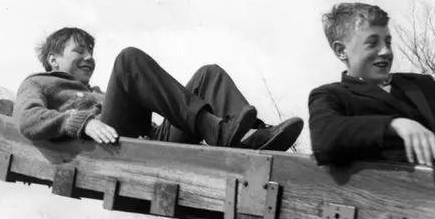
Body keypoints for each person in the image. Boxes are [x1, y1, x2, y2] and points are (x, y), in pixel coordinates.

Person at [15, 27, 303, 150]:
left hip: (151, 136)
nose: (90, 58)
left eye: (91, 52)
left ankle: (251, 136)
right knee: (128, 59)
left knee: (208, 75)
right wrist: (82, 123)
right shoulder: (38, 82)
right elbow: (26, 120)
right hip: (109, 144)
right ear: (53, 59)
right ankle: (218, 131)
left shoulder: (98, 90)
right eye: (80, 51)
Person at [308, 2, 435, 167]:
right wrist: (394, 125)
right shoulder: (330, 95)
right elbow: (325, 138)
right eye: (372, 43)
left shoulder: (420, 86)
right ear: (341, 51)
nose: (385, 51)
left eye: (387, 42)